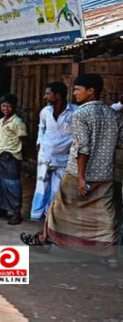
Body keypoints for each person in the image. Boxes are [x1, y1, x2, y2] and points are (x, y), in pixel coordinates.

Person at [21, 74, 123, 269]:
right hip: (105, 174)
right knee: (105, 215)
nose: (74, 93)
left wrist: (82, 178)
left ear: (90, 91)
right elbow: (120, 141)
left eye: (77, 89)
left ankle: (45, 239)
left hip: (78, 172)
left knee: (58, 209)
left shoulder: (81, 114)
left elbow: (82, 148)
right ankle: (110, 256)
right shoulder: (113, 114)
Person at [31, 82, 76, 221]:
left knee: (57, 187)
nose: (45, 96)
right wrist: (39, 141)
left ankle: (50, 215)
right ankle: (37, 214)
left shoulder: (75, 112)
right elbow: (41, 127)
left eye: (48, 94)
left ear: (58, 95)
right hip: (46, 153)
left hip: (64, 156)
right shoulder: (45, 111)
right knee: (41, 184)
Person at [0, 94, 28, 225]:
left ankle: (16, 212)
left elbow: (24, 140)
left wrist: (23, 158)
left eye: (9, 106)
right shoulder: (1, 121)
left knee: (12, 184)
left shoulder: (18, 122)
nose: (6, 109)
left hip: (11, 156)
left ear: (14, 107)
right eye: (3, 106)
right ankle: (1, 208)